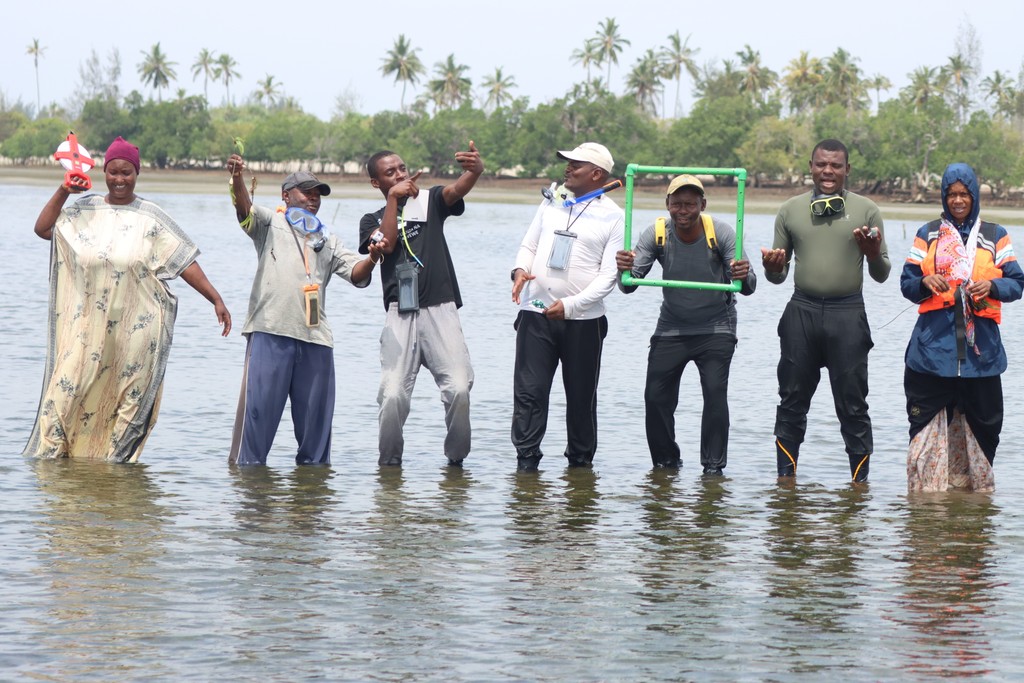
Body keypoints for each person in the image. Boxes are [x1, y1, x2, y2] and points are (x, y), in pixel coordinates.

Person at [24, 136, 231, 462]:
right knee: (60, 401)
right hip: (85, 333)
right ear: (105, 172)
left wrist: (215, 299)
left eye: (127, 173)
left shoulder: (151, 219)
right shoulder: (84, 210)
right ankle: (57, 485)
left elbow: (184, 262)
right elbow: (43, 228)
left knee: (126, 406)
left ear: (137, 174)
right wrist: (65, 190)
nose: (120, 180)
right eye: (113, 172)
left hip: (136, 335)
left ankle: (114, 475)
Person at [226, 154, 386, 466]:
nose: (313, 199)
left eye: (317, 195)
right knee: (256, 425)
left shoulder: (327, 240)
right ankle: (252, 501)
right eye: (306, 193)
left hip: (316, 341)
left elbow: (357, 274)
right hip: (270, 332)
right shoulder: (269, 222)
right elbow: (243, 210)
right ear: (286, 196)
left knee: (316, 438)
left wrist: (375, 257)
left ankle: (310, 504)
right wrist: (236, 179)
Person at [761, 138, 890, 482]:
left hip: (848, 314)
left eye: (835, 165)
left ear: (847, 169)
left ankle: (859, 485)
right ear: (810, 166)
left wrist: (873, 252)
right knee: (791, 400)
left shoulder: (866, 210)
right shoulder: (790, 210)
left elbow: (882, 275)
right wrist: (772, 267)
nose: (828, 171)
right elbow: (778, 276)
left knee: (853, 403)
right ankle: (785, 485)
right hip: (801, 312)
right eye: (821, 164)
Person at [616, 174, 756, 474]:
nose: (683, 211)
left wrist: (742, 274)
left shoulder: (720, 232)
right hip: (672, 326)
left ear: (702, 205)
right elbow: (629, 286)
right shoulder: (657, 232)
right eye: (677, 204)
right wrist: (624, 270)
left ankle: (713, 468)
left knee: (715, 394)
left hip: (716, 326)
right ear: (667, 204)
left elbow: (747, 287)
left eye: (690, 204)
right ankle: (666, 464)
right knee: (655, 397)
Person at [359, 141, 484, 467]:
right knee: (393, 395)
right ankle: (389, 468)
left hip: (441, 309)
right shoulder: (370, 219)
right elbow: (383, 247)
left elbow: (457, 190)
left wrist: (474, 171)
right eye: (390, 173)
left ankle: (455, 463)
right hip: (400, 313)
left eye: (402, 168)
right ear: (377, 183)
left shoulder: (429, 201)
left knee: (458, 389)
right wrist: (392, 201)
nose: (400, 174)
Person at [900, 163, 1024, 492]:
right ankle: (926, 513)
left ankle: (973, 513)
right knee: (922, 436)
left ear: (974, 196)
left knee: (985, 434)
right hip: (931, 355)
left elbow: (1017, 283)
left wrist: (993, 288)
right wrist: (925, 281)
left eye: (964, 194)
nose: (957, 200)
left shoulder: (996, 235)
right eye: (951, 194)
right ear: (943, 197)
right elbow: (907, 284)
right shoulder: (927, 234)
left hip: (980, 360)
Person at [510, 142, 625, 471]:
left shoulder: (614, 216)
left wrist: (571, 305)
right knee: (529, 393)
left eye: (576, 164)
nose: (567, 168)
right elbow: (528, 244)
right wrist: (519, 270)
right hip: (535, 311)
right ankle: (526, 465)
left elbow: (608, 278)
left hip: (584, 320)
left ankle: (580, 466)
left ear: (597, 174)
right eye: (567, 162)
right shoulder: (553, 201)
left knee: (580, 399)